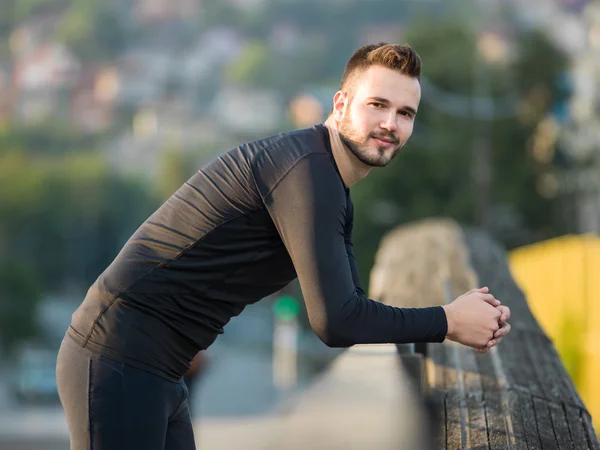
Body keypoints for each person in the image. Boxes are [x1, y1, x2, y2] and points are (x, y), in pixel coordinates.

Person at [56, 42, 511, 450]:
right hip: (115, 359)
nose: (390, 124)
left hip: (158, 370)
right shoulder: (306, 173)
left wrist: (457, 315)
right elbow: (336, 323)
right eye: (377, 105)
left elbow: (351, 305)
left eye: (406, 113)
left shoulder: (329, 183)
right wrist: (448, 320)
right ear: (341, 104)